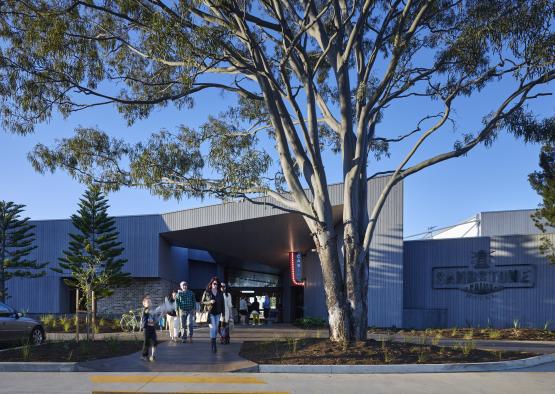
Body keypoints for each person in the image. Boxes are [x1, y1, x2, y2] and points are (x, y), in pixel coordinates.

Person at [201, 277, 224, 353]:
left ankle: (213, 344)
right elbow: (202, 302)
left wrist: (223, 314)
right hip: (210, 313)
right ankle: (213, 345)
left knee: (216, 329)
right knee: (213, 328)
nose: (215, 285)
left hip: (218, 313)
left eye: (217, 284)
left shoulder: (220, 293)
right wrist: (210, 301)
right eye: (214, 283)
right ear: (211, 284)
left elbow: (223, 304)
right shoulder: (207, 292)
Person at [140, 295, 158, 362]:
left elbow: (156, 320)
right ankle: (144, 356)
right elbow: (148, 312)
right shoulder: (145, 310)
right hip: (146, 329)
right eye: (148, 302)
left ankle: (152, 356)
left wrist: (161, 314)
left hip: (152, 328)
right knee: (146, 343)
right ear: (144, 304)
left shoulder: (152, 311)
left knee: (154, 342)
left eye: (150, 302)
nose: (150, 303)